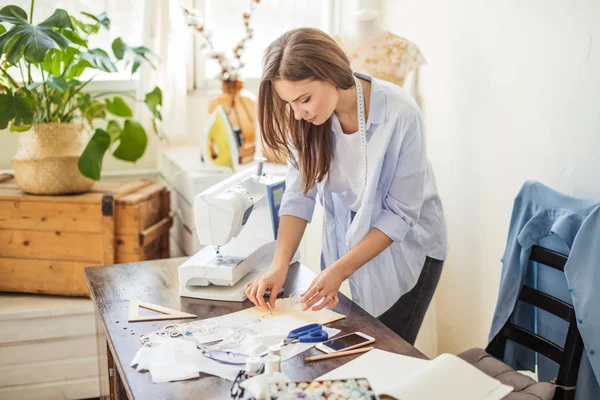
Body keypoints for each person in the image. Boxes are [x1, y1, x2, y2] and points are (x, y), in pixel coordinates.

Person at [245, 27, 447, 345]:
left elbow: (399, 215)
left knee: (387, 351)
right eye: (291, 104)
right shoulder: (306, 121)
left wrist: (339, 271)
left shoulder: (400, 114)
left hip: (408, 242)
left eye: (305, 99)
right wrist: (278, 265)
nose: (298, 113)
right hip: (350, 237)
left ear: (331, 74)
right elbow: (299, 194)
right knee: (341, 347)